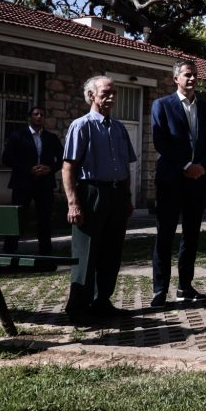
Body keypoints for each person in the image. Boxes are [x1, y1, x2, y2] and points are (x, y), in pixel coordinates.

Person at [61, 76, 137, 324]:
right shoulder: (81, 126)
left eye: (114, 93)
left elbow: (126, 166)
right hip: (91, 193)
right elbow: (68, 167)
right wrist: (73, 202)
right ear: (92, 95)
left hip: (116, 194)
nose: (112, 97)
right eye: (106, 93)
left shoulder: (119, 128)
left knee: (111, 251)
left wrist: (127, 197)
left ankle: (102, 301)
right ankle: (77, 307)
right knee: (87, 252)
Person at [150, 60, 206, 307]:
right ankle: (159, 290)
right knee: (165, 236)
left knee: (191, 235)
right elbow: (161, 141)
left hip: (197, 181)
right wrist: (185, 166)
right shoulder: (162, 105)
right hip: (171, 180)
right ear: (176, 78)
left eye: (195, 75)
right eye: (188, 75)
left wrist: (202, 166)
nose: (192, 79)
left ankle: (185, 287)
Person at [0, 106, 63, 255]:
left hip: (44, 184)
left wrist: (50, 169)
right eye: (36, 114)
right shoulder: (18, 136)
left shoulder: (51, 138)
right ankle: (9, 252)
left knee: (45, 219)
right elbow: (7, 159)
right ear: (30, 117)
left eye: (42, 114)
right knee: (17, 218)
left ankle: (45, 253)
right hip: (22, 183)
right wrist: (28, 169)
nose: (39, 117)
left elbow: (62, 159)